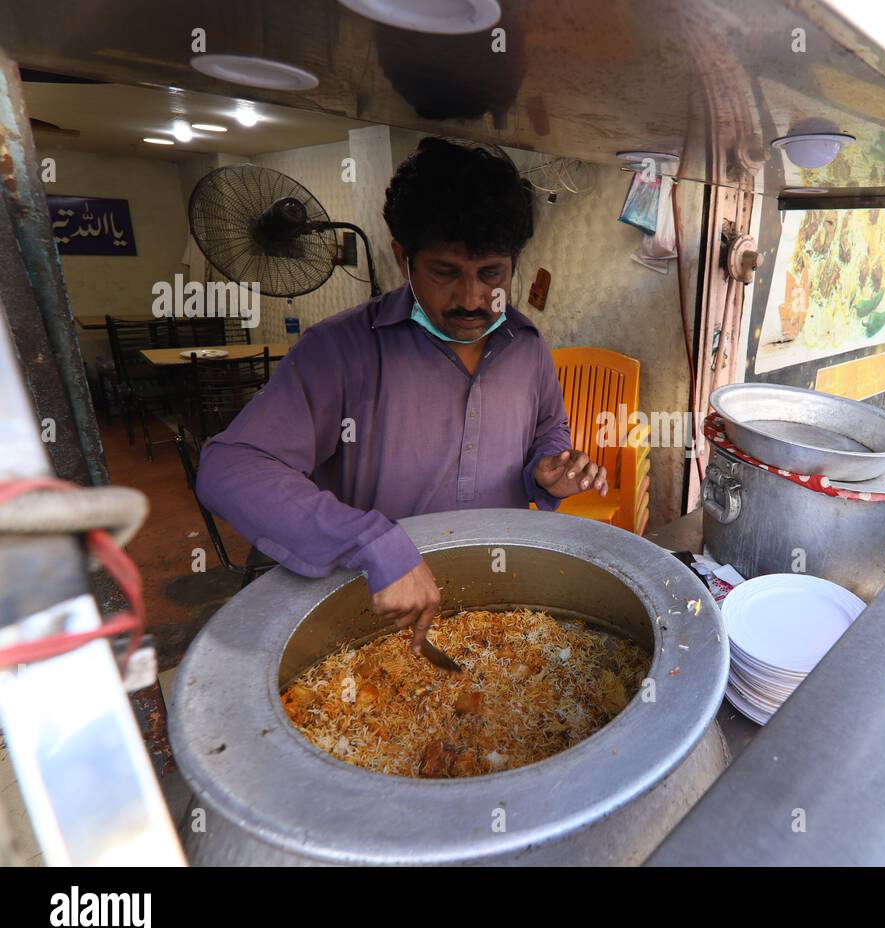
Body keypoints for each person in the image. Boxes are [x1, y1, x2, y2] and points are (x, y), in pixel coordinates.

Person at [196, 138, 604, 650]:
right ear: (402, 258)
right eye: (445, 273)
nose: (473, 299)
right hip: (377, 613)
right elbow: (229, 468)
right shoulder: (340, 350)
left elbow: (549, 428)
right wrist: (371, 541)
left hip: (500, 603)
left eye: (492, 274)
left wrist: (547, 468)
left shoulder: (526, 346)